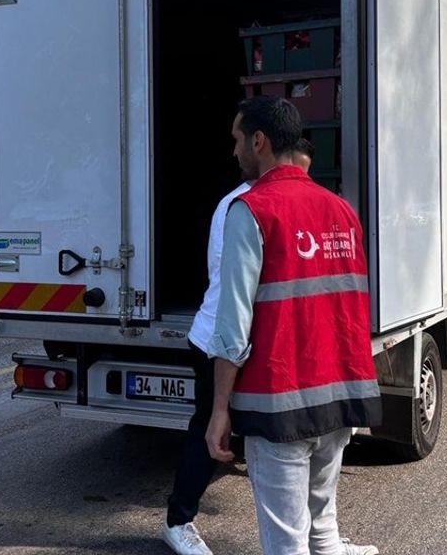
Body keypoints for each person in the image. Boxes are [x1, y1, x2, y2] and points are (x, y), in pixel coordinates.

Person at [206, 97, 381, 555]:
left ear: (259, 141)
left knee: (286, 543)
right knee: (323, 529)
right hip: (338, 398)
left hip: (279, 403)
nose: (234, 150)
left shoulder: (251, 210)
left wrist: (220, 409)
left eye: (237, 139)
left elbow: (232, 327)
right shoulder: (340, 210)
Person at [162, 137, 316, 555]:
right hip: (221, 338)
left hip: (253, 340)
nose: (300, 180)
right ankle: (179, 521)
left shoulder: (274, 202)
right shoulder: (246, 206)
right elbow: (237, 293)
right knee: (212, 431)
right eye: (296, 170)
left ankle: (317, 535)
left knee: (278, 438)